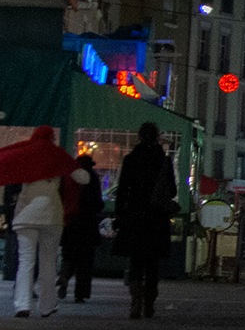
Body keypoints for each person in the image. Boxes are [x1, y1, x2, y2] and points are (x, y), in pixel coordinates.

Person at [0, 126, 90, 318]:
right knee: (48, 262)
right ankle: (47, 305)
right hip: (51, 215)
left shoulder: (24, 152)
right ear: (52, 137)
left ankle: (22, 305)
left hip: (25, 214)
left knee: (25, 261)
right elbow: (84, 178)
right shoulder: (57, 155)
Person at [111, 122, 178, 319]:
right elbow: (172, 190)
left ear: (139, 137)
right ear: (157, 137)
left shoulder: (131, 159)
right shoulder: (163, 161)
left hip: (135, 216)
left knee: (136, 261)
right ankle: (149, 302)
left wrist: (119, 215)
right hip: (156, 218)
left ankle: (135, 301)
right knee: (153, 264)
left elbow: (122, 190)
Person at [57, 154, 103, 304]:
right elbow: (97, 202)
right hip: (87, 224)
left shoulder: (68, 176)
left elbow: (61, 197)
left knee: (69, 255)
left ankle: (64, 275)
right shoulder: (92, 177)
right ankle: (80, 294)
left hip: (70, 222)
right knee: (85, 261)